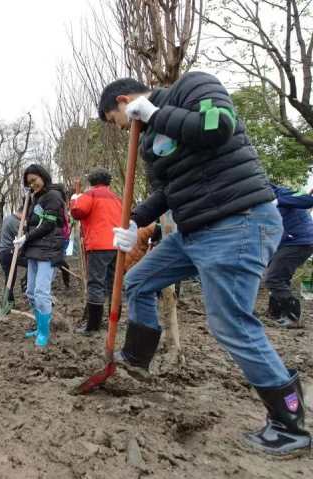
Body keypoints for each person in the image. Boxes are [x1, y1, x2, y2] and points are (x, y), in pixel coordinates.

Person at [99, 73, 310, 455]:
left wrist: (156, 113)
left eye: (119, 120)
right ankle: (136, 359)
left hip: (238, 220)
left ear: (125, 101)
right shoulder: (147, 140)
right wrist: (135, 222)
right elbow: (166, 191)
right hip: (193, 231)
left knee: (229, 323)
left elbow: (217, 126)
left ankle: (289, 422)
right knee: (139, 280)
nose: (125, 128)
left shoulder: (193, 87)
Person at [14, 164, 65, 348]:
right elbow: (33, 223)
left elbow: (48, 225)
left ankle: (44, 333)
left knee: (41, 293)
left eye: (34, 180)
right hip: (35, 248)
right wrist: (24, 236)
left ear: (43, 176)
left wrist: (26, 236)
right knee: (30, 292)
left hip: (49, 248)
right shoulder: (36, 198)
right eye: (29, 183)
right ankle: (39, 326)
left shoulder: (53, 196)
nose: (33, 184)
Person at [70, 168, 122, 333]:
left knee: (95, 283)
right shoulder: (117, 198)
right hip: (118, 244)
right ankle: (114, 320)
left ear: (92, 181)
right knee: (115, 283)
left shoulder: (90, 195)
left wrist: (74, 200)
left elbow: (78, 212)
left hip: (98, 245)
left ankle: (93, 326)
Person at [265, 184, 313, 328]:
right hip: (284, 243)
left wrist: (278, 201)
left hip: (300, 241)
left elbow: (308, 200)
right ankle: (275, 312)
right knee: (277, 274)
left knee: (274, 278)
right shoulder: (255, 201)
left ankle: (293, 317)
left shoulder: (284, 192)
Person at [0, 206, 27, 304]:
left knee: (10, 278)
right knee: (31, 263)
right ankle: (24, 283)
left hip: (3, 252)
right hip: (9, 252)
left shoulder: (8, 218)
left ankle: (9, 300)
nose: (25, 218)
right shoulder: (14, 221)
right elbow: (21, 235)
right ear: (21, 213)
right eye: (25, 215)